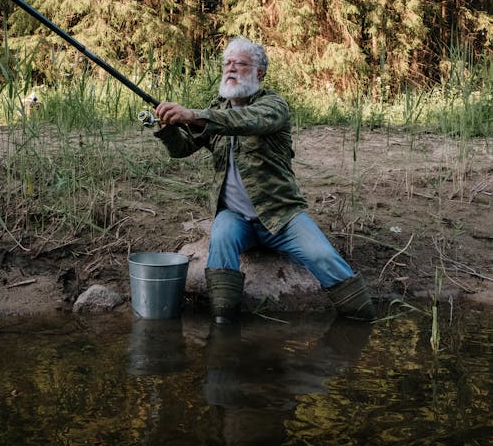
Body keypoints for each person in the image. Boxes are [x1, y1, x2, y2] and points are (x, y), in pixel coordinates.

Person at [153, 36, 375, 324]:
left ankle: (363, 322)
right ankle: (223, 326)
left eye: (240, 64)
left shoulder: (273, 105)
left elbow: (246, 122)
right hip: (236, 218)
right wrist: (167, 127)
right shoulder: (216, 110)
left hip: (281, 216)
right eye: (227, 63)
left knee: (323, 257)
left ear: (259, 73)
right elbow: (183, 149)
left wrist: (194, 115)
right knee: (220, 238)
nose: (231, 69)